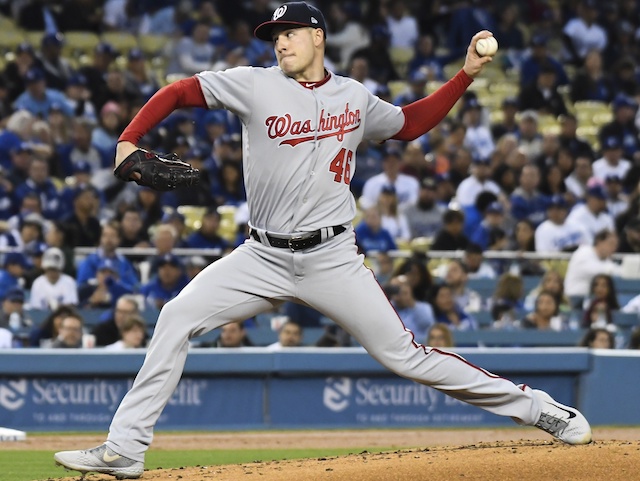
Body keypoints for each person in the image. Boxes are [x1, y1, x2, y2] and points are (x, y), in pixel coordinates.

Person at [54, 4, 592, 478]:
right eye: (274, 35)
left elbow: (407, 124)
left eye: (289, 32)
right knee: (176, 316)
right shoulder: (254, 83)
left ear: (319, 37)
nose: (280, 42)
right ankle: (125, 448)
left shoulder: (353, 97)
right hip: (260, 255)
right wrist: (128, 140)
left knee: (405, 356)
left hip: (332, 256)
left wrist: (466, 75)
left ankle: (538, 407)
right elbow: (177, 91)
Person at [564, 229, 621, 300]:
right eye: (611, 244)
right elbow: (597, 271)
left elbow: (614, 270)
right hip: (574, 297)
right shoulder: (583, 252)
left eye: (615, 246)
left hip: (591, 299)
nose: (613, 249)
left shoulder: (606, 260)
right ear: (599, 241)